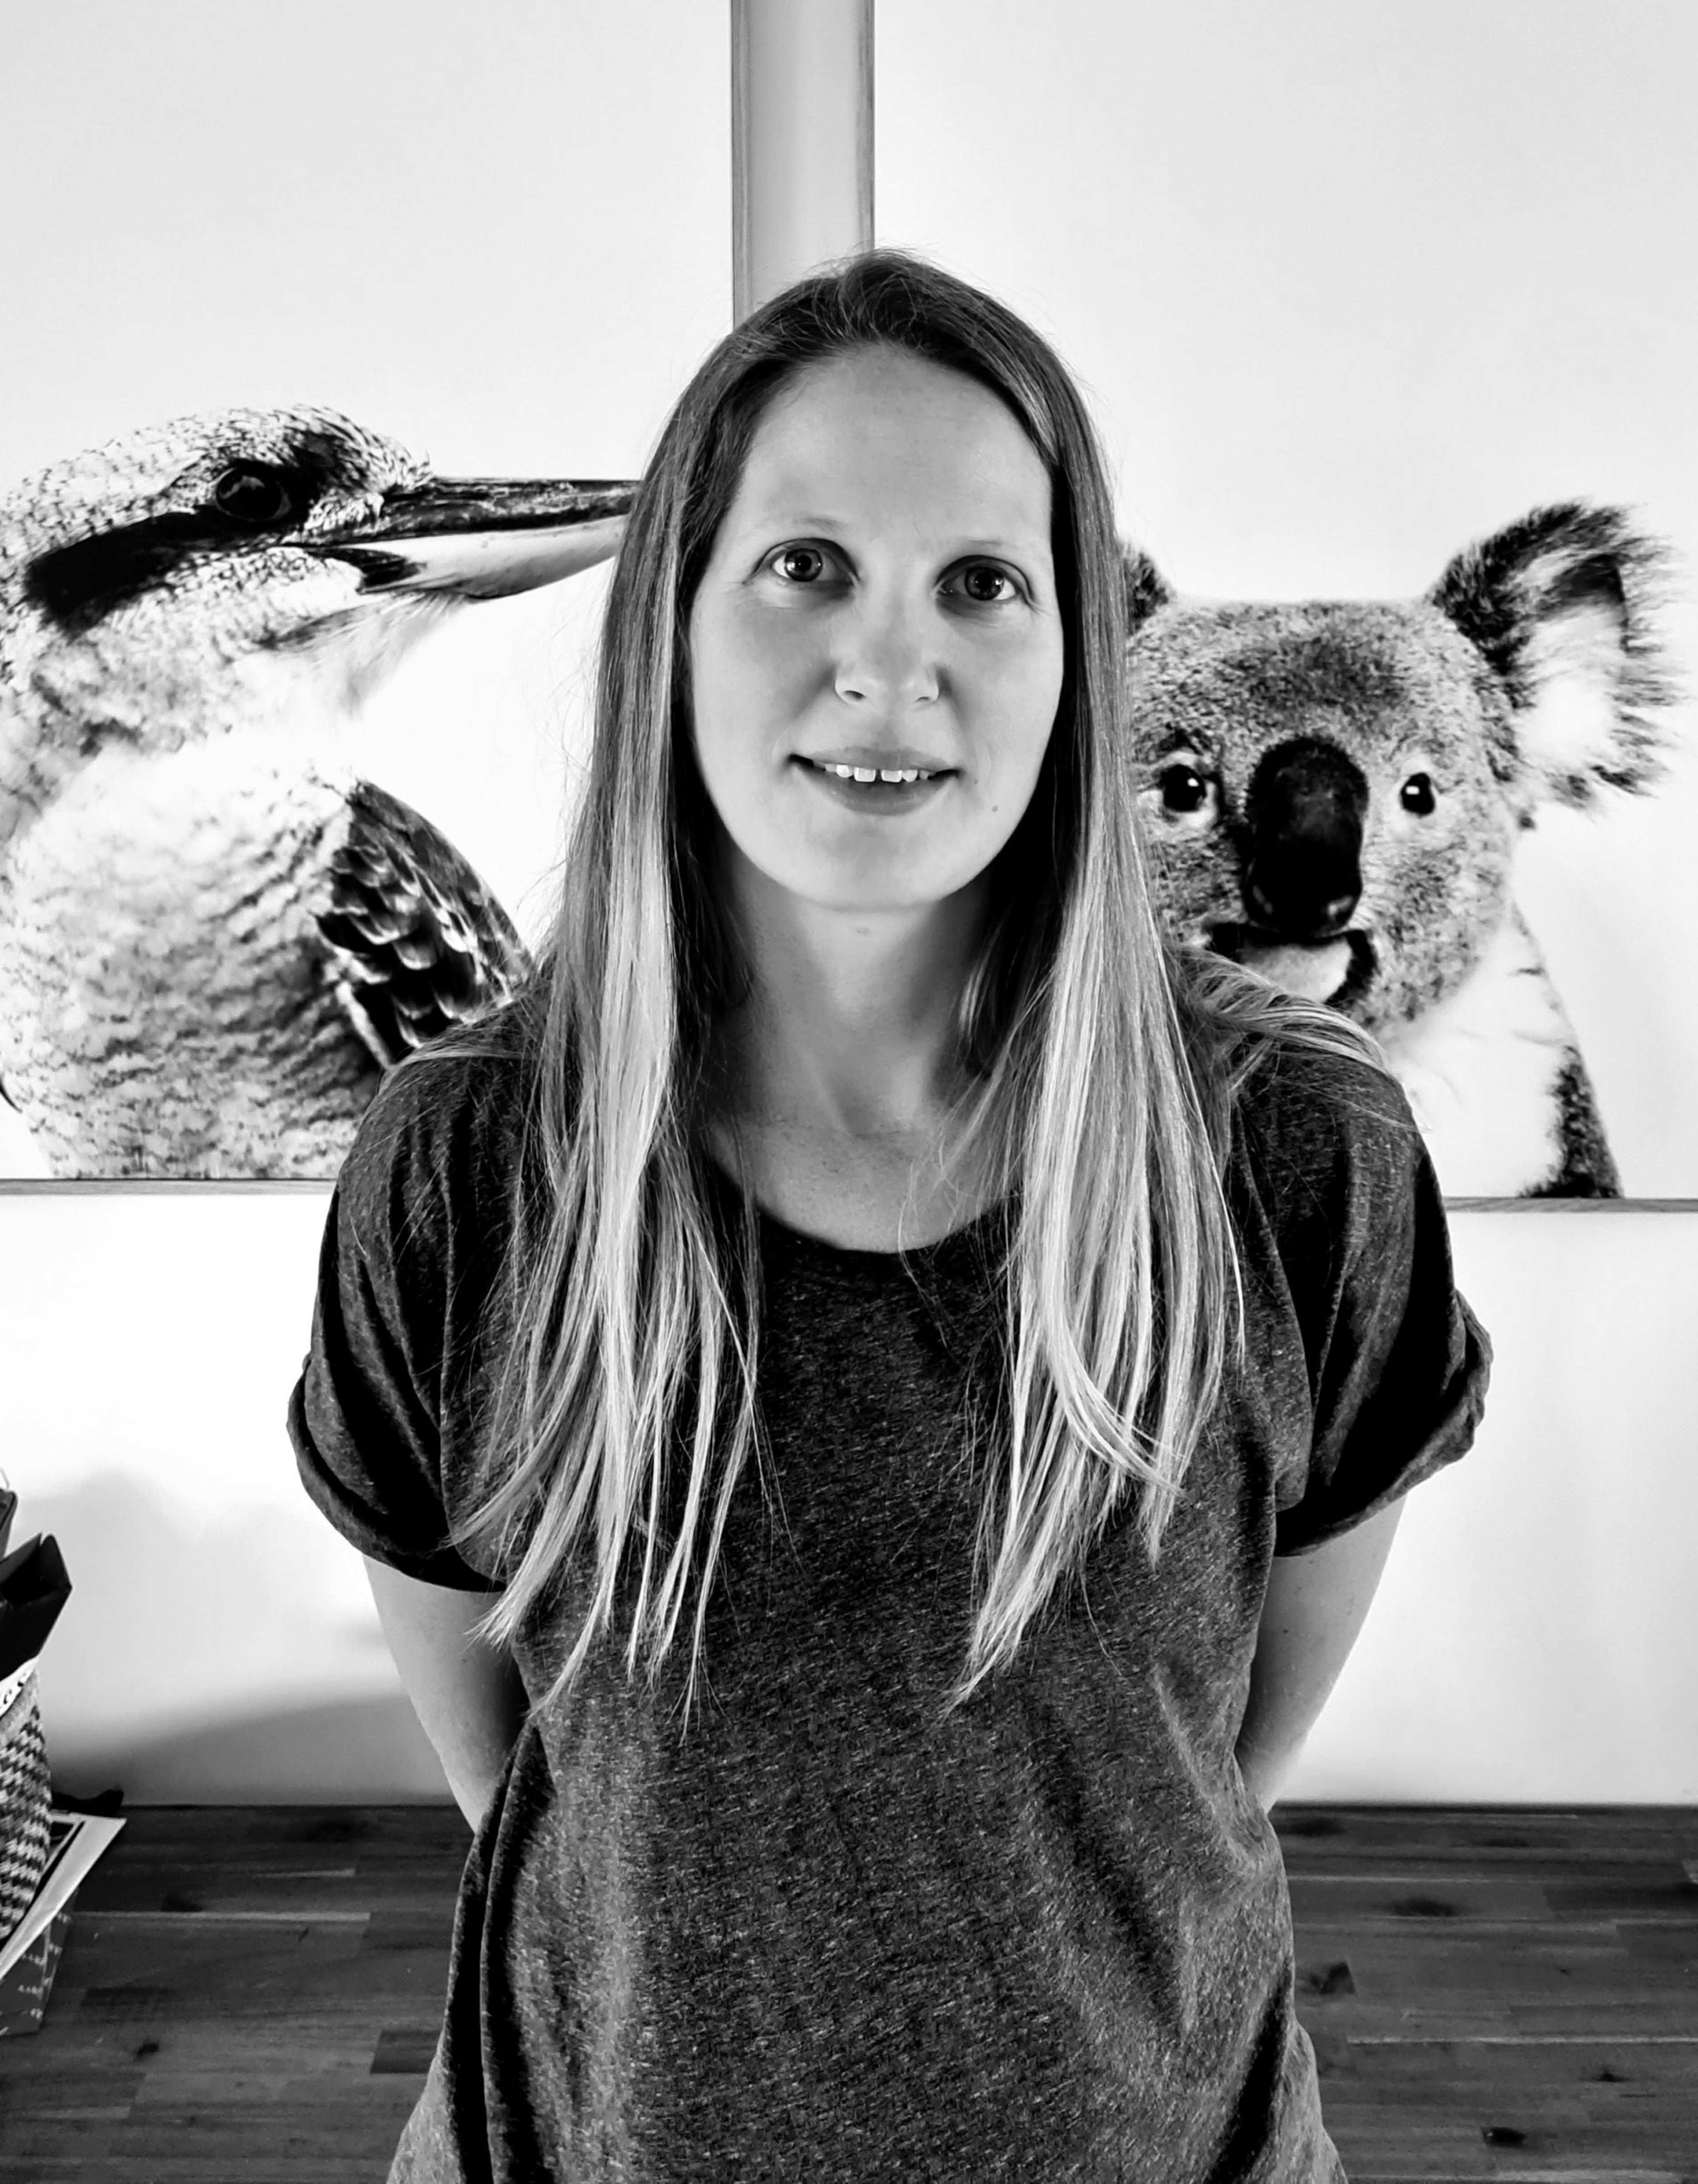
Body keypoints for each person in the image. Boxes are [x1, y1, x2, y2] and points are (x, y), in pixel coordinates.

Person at [289, 250, 1489, 2183]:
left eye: (982, 583)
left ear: (1073, 658)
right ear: (673, 617)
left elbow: (1219, 1758)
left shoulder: (1305, 1154)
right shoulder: (468, 1161)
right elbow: (514, 1767)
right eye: (806, 565)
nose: (889, 664)